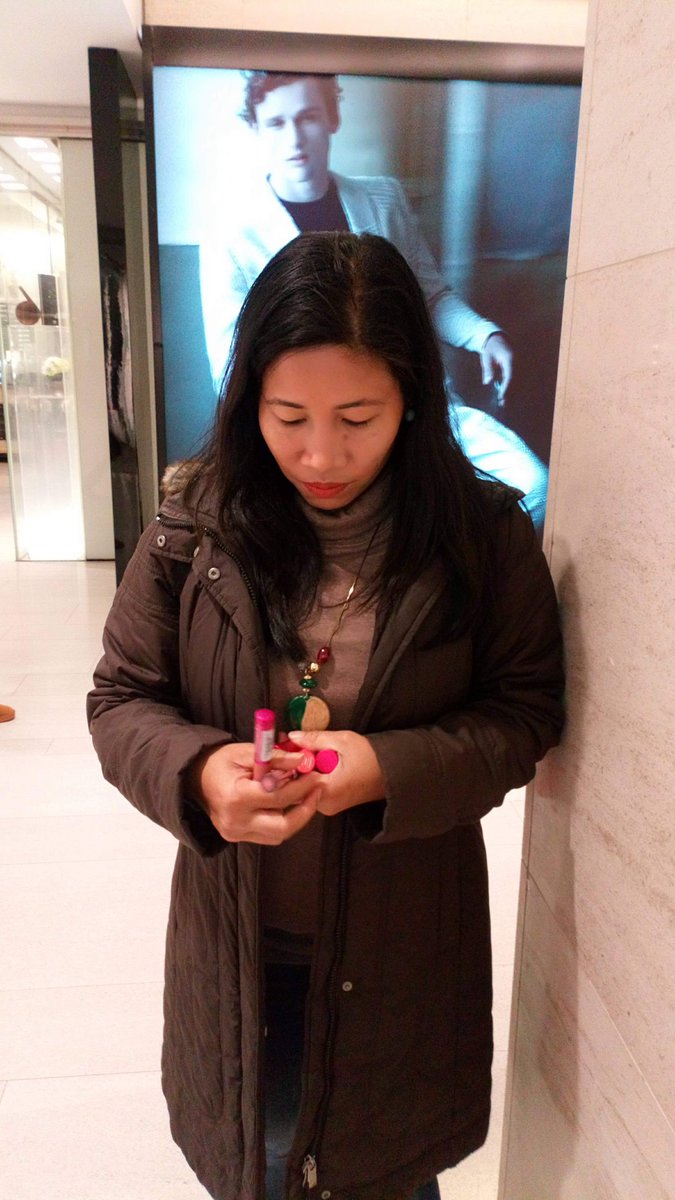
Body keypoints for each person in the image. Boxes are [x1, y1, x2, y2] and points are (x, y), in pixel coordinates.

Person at [88, 232, 565, 1200]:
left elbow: (523, 712)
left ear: (412, 399)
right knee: (261, 1158)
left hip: (403, 941)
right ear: (249, 400)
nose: (320, 454)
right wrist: (199, 773)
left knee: (385, 1167)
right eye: (288, 416)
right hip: (239, 938)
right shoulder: (193, 525)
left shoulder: (482, 535)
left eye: (357, 417)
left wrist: (389, 767)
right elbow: (121, 697)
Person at [199, 71, 549, 529]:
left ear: (332, 118)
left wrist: (484, 335)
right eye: (277, 123)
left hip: (418, 409)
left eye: (307, 117)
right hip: (312, 431)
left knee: (534, 488)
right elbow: (230, 368)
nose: (294, 138)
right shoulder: (231, 232)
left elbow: (428, 295)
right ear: (256, 130)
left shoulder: (383, 198)